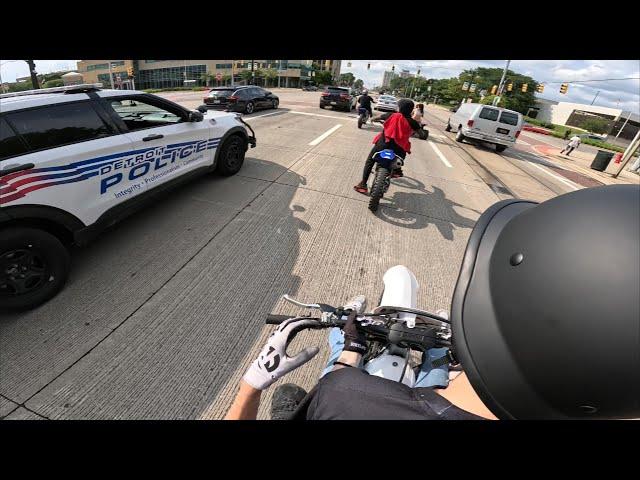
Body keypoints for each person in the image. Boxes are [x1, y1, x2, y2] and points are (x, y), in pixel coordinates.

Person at [225, 184, 639, 420]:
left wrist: (249, 388)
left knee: (311, 382)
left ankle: (347, 337)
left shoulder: (346, 397)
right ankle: (436, 355)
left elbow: (344, 382)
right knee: (435, 368)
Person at [353, 99, 423, 195]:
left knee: (370, 161)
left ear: (400, 107)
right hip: (399, 150)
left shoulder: (391, 115)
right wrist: (415, 131)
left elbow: (375, 118)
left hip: (382, 145)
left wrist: (374, 119)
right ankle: (397, 171)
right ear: (411, 110)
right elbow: (422, 134)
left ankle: (363, 184)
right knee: (401, 156)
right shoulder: (413, 122)